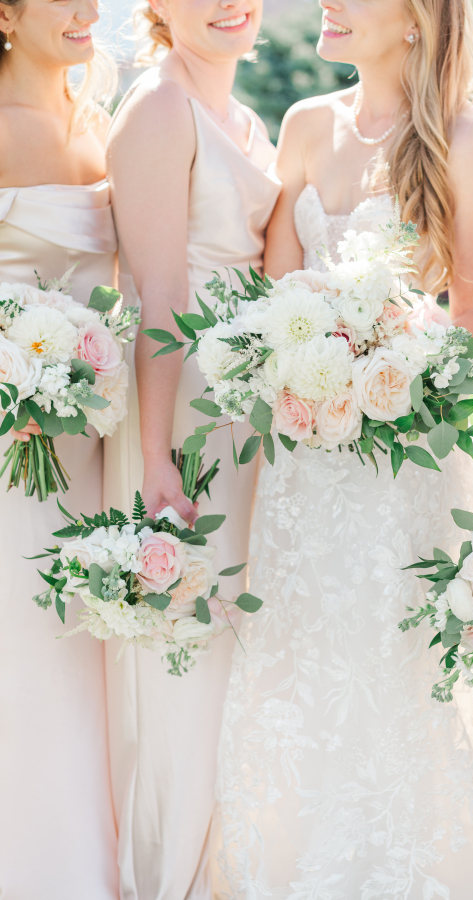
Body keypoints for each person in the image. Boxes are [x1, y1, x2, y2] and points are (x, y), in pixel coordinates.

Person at [213, 1, 473, 897]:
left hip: (403, 463)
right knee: (296, 662)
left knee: (394, 669)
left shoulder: (465, 143)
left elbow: (471, 328)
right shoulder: (306, 125)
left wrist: (381, 371)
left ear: (416, 20)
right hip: (301, 463)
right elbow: (267, 305)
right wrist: (301, 377)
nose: (328, 7)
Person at [104, 1, 280, 896]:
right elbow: (160, 295)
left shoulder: (245, 117)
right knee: (183, 654)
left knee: (234, 652)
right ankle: (170, 875)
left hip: (247, 415)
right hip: (183, 418)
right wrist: (158, 457)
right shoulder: (159, 106)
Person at [0, 1, 118, 897]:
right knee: (29, 650)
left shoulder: (98, 119)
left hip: (89, 443)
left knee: (92, 655)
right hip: (18, 443)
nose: (85, 12)